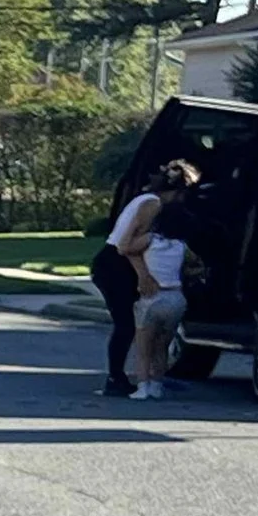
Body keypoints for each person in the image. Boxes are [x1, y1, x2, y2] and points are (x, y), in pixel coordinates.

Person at [93, 160, 197, 398]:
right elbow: (125, 246)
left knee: (137, 323)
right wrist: (144, 276)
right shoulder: (152, 204)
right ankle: (116, 378)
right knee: (126, 324)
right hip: (114, 265)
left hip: (121, 263)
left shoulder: (148, 201)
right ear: (178, 191)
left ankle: (146, 378)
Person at [130, 217, 193, 401]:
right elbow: (195, 264)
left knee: (144, 347)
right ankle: (157, 384)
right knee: (162, 346)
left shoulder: (150, 240)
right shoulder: (182, 246)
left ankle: (142, 386)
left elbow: (127, 247)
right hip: (175, 296)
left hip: (152, 297)